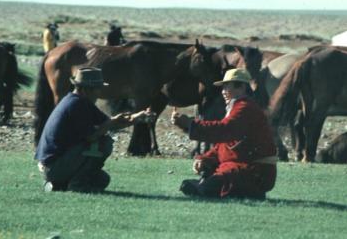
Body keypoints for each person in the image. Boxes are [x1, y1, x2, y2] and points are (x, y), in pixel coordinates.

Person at [35, 67, 154, 192]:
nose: (99, 93)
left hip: (55, 165)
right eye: (98, 89)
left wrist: (137, 117)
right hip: (53, 166)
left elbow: (110, 123)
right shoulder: (77, 105)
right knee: (104, 143)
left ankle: (59, 185)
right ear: (87, 89)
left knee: (101, 179)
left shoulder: (80, 101)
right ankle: (77, 185)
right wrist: (110, 123)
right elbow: (92, 136)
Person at [171, 68, 277, 199]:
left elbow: (223, 130)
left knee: (210, 184)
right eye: (223, 88)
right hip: (249, 168)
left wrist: (190, 124)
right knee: (208, 178)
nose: (223, 92)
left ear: (242, 87)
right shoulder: (239, 107)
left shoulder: (244, 107)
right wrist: (205, 158)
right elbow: (225, 144)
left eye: (227, 87)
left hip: (256, 171)